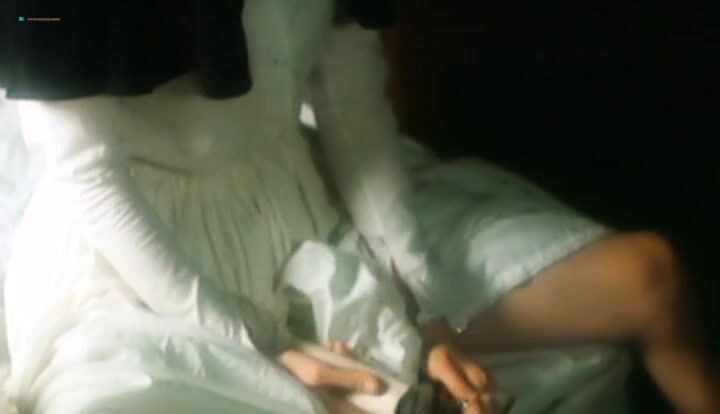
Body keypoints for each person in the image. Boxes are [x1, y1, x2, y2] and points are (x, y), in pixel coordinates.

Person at [0, 1, 717, 413]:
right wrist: (266, 350)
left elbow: (352, 109)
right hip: (136, 262)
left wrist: (419, 307)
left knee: (649, 277)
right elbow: (89, 176)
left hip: (304, 210)